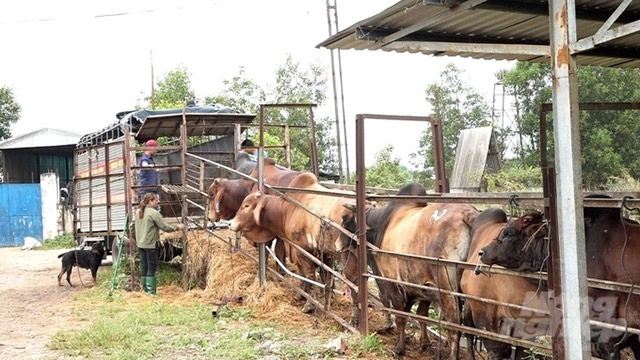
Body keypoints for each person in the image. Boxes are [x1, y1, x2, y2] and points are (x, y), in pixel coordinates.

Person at [131, 193, 185, 295]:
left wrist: (138, 238)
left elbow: (131, 227)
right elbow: (165, 227)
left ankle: (145, 289)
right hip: (151, 244)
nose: (157, 202)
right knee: (151, 267)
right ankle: (151, 292)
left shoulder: (138, 212)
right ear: (150, 201)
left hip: (141, 244)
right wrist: (178, 227)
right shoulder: (154, 213)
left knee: (144, 266)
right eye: (156, 200)